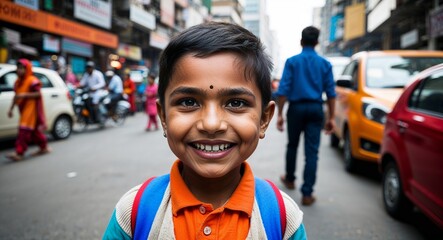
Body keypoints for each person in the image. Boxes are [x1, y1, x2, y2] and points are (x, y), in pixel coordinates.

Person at [103, 22, 307, 239]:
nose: (211, 124)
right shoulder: (133, 213)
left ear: (264, 119)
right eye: (189, 101)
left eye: (236, 103)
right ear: (163, 116)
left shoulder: (283, 217)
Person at [275, 26, 336, 206]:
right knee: (312, 152)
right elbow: (331, 93)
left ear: (301, 41)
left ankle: (290, 179)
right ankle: (307, 193)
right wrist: (331, 117)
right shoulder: (325, 64)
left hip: (296, 109)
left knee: (292, 145)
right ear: (317, 42)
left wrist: (280, 114)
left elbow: (283, 90)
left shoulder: (292, 62)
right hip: (316, 109)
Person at [6, 59, 51, 161]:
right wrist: (11, 109)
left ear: (27, 69)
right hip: (23, 109)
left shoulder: (32, 80)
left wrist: (24, 95)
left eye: (22, 68)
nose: (19, 70)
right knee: (34, 131)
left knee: (24, 130)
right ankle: (44, 147)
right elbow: (16, 96)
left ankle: (19, 152)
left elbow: (38, 94)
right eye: (18, 68)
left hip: (31, 110)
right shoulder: (17, 82)